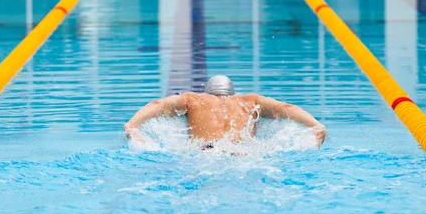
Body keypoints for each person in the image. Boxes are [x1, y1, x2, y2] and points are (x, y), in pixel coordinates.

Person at [124, 75, 327, 148]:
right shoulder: (250, 102)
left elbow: (158, 105)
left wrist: (132, 125)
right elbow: (286, 109)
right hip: (244, 153)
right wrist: (316, 125)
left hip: (206, 153)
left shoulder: (192, 99)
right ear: (231, 93)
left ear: (208, 92)